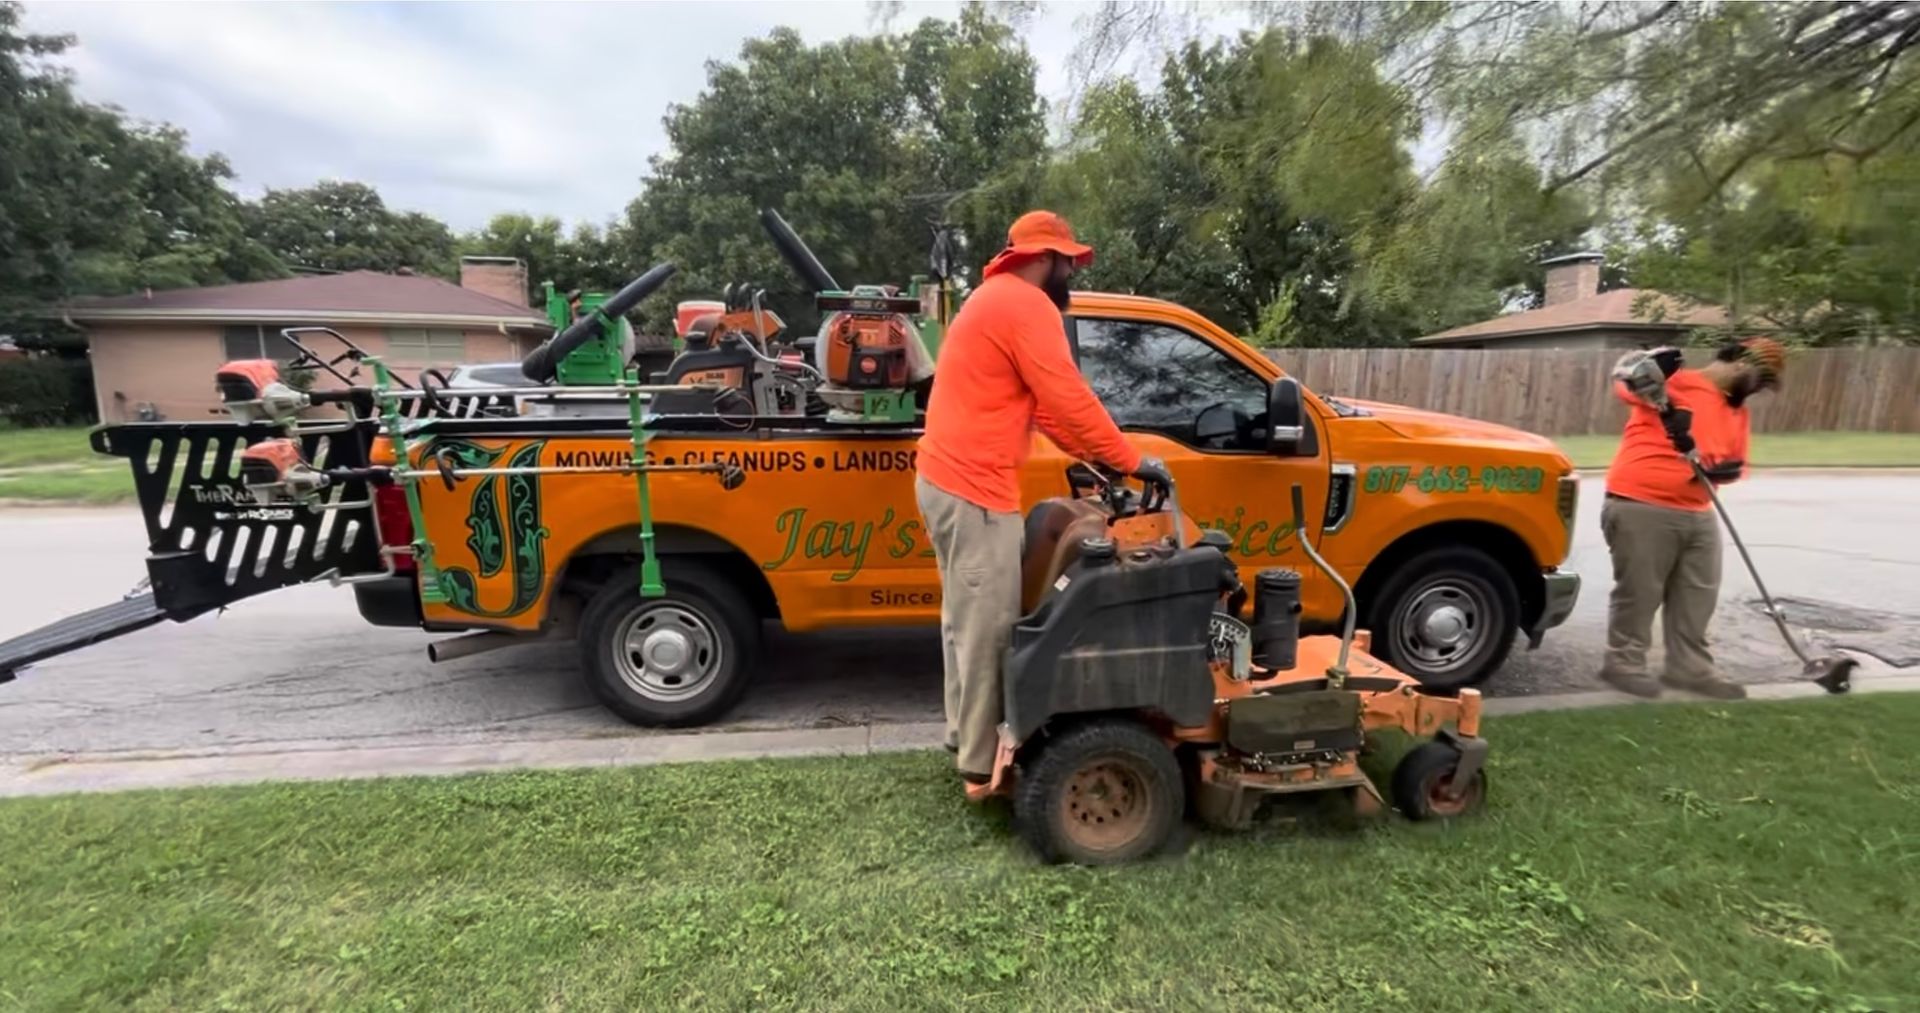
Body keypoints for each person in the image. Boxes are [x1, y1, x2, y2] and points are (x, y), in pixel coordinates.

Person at [913, 210, 1169, 784]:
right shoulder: (1025, 305)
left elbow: (1047, 409)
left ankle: (963, 736)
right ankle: (981, 766)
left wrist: (1100, 456)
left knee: (963, 622)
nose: (1071, 275)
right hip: (974, 489)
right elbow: (1069, 395)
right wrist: (1132, 461)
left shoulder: (992, 299)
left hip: (944, 480)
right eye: (1068, 263)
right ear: (1045, 258)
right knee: (989, 629)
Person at [1599, 336, 1786, 700]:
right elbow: (1626, 385)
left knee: (1697, 593)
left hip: (1698, 509)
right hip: (1641, 504)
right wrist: (1646, 371)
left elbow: (1737, 464)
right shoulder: (1676, 380)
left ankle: (1690, 669)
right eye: (1760, 379)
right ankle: (1624, 664)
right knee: (1640, 591)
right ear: (1741, 363)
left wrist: (1716, 468)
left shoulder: (1736, 410)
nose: (1758, 389)